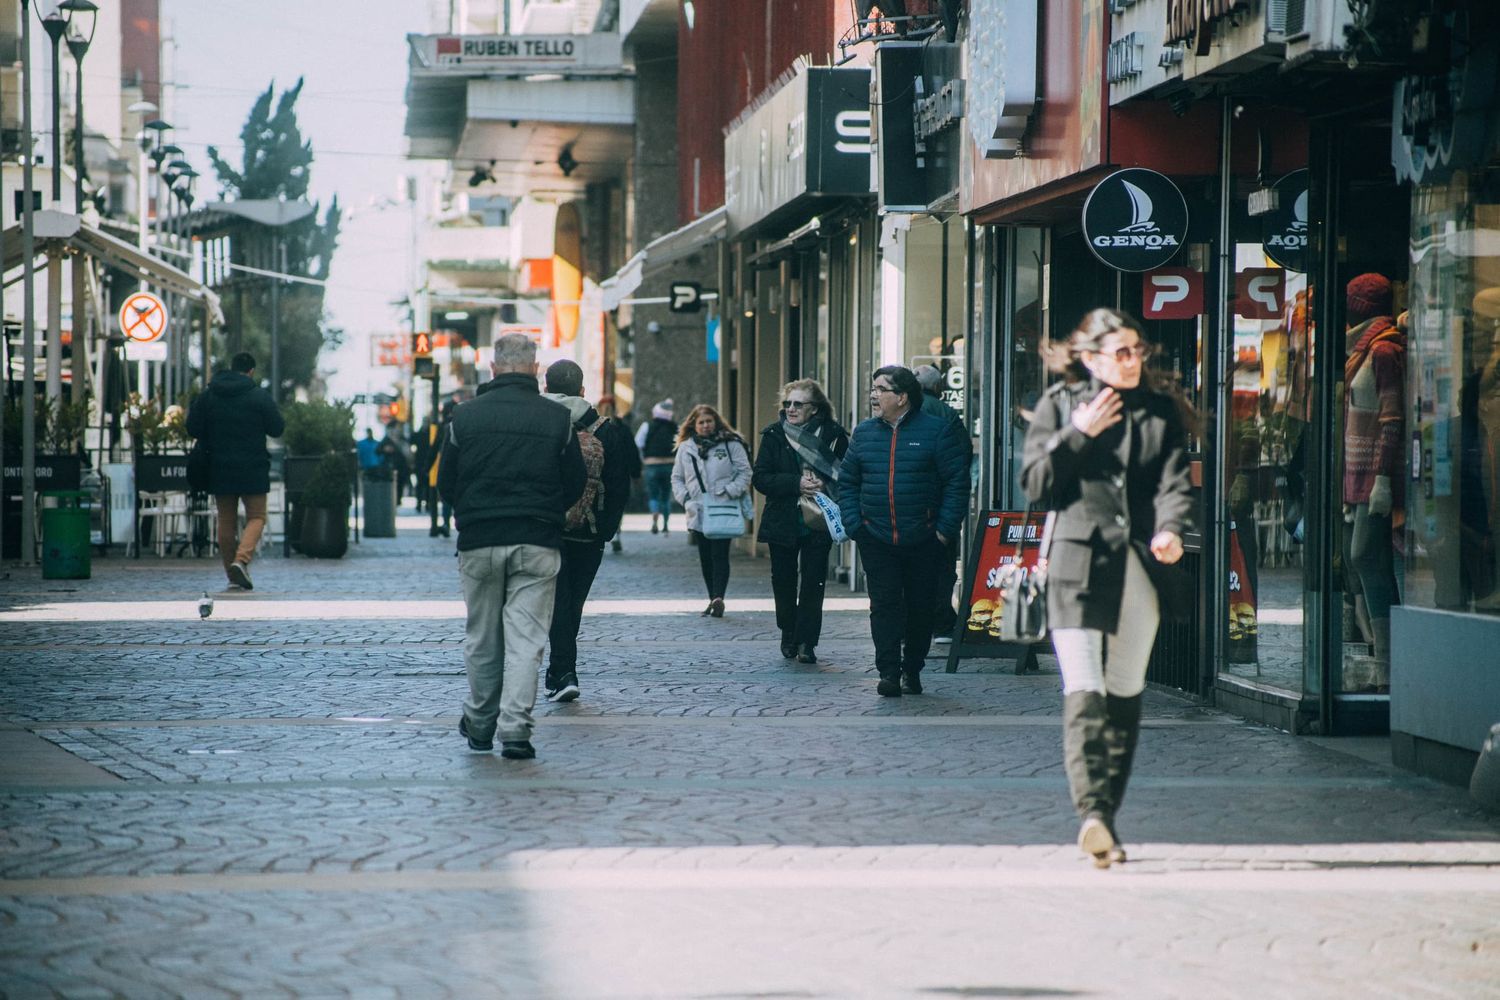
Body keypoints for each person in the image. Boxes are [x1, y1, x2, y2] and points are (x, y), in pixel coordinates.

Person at [1021, 307, 1193, 869]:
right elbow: (1035, 485)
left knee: (1124, 691)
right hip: (1076, 564)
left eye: (1137, 351)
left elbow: (1174, 482)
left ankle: (1106, 820)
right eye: (1121, 353)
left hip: (1140, 565)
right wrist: (1078, 434)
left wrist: (1170, 529)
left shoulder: (1159, 411)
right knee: (1085, 688)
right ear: (1090, 358)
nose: (1132, 361)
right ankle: (1091, 813)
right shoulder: (1060, 406)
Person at [437, 334, 587, 760]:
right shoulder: (556, 419)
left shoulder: (463, 417)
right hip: (538, 540)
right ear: (536, 370)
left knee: (483, 638)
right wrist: (548, 510)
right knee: (526, 640)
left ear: (493, 369)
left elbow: (445, 482)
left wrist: (472, 510)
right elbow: (574, 481)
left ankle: (481, 725)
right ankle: (516, 731)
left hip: (480, 540)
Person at [838, 365, 969, 696]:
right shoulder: (864, 433)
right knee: (883, 604)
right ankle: (889, 672)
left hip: (924, 537)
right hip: (876, 536)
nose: (874, 395)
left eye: (881, 389)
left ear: (902, 397)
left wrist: (943, 530)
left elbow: (957, 482)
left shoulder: (937, 431)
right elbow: (848, 481)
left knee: (920, 605)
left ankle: (913, 668)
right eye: (873, 388)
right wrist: (856, 524)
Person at [542, 360, 638, 702]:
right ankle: (563, 669)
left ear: (546, 387)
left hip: (547, 529)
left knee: (557, 602)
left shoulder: (539, 421)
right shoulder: (605, 429)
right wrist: (606, 529)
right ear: (583, 390)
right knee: (574, 603)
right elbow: (619, 484)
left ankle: (562, 672)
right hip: (589, 530)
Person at [753, 379, 849, 663]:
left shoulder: (834, 436)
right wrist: (796, 483)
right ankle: (788, 632)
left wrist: (824, 483)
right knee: (782, 580)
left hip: (819, 519)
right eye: (788, 404)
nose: (791, 409)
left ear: (815, 409)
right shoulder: (774, 435)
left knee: (813, 581)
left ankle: (807, 641)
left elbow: (848, 475)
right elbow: (761, 477)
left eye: (798, 404)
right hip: (783, 518)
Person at [1342, 273, 1404, 663]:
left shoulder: (1382, 352)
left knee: (1364, 554)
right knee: (1368, 558)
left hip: (1377, 474)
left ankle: (1390, 657)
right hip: (1360, 474)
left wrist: (1382, 478)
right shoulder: (1363, 351)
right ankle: (1385, 660)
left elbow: (1391, 417)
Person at [185, 351, 285, 591]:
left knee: (226, 521)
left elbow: (192, 427)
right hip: (253, 467)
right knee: (257, 516)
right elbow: (277, 428)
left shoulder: (209, 395)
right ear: (251, 371)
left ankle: (231, 573)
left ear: (231, 368)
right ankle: (241, 560)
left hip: (219, 467)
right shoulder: (258, 396)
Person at [671, 404, 752, 617]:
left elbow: (745, 472)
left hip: (723, 506)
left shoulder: (730, 444)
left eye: (709, 421)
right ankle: (712, 597)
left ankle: (719, 597)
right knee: (705, 555)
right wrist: (686, 498)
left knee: (720, 553)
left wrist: (730, 490)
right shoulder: (686, 448)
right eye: (701, 422)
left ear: (716, 422)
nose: (706, 426)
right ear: (693, 425)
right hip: (697, 509)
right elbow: (677, 478)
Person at [915, 363, 965, 643]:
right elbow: (961, 458)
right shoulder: (946, 414)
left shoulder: (903, 412)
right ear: (938, 388)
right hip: (938, 504)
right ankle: (942, 622)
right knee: (942, 567)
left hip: (913, 506)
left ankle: (914, 623)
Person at [595, 394, 640, 553]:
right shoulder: (622, 428)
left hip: (599, 474)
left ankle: (604, 533)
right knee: (616, 505)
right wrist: (635, 473)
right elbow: (632, 452)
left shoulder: (594, 427)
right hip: (619, 475)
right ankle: (615, 533)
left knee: (599, 505)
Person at [636, 399, 678, 533]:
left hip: (651, 465)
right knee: (666, 496)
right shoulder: (674, 427)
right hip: (669, 465)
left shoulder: (647, 426)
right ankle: (665, 525)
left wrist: (643, 458)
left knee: (653, 495)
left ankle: (654, 514)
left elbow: (638, 443)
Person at [426, 401, 455, 538]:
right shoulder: (465, 422)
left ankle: (446, 524)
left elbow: (433, 450)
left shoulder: (443, 427)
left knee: (446, 499)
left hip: (447, 467)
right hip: (463, 468)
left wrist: (426, 468)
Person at [378, 420, 412, 506]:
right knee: (392, 485)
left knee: (400, 484)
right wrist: (385, 449)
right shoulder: (386, 440)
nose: (397, 430)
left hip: (402, 467)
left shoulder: (403, 439)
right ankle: (393, 500)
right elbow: (378, 450)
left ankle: (398, 500)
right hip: (390, 467)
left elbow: (408, 452)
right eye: (396, 428)